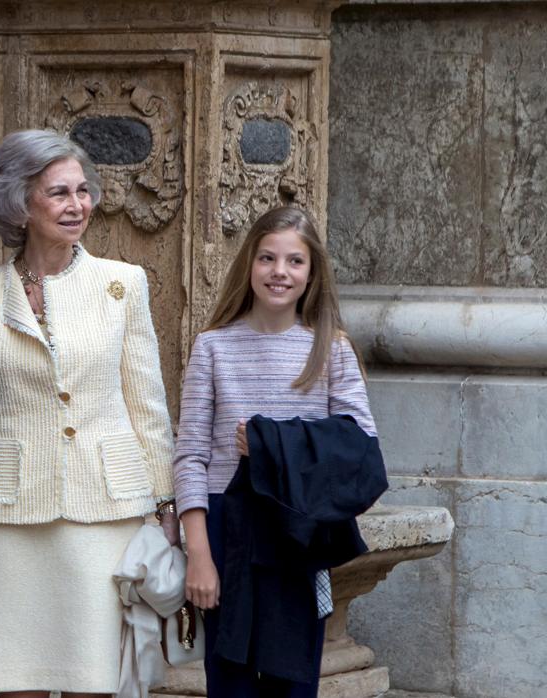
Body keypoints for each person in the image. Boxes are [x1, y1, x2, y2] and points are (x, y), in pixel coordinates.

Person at [0, 129, 179, 698]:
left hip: (106, 513)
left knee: (94, 683)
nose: (78, 206)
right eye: (59, 193)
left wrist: (167, 505)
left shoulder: (123, 284)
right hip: (10, 516)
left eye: (83, 191)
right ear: (20, 205)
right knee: (14, 683)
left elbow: (147, 404)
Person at [172, 205, 378, 696]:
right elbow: (191, 455)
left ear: (312, 273)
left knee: (293, 683)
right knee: (230, 681)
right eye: (267, 258)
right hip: (229, 529)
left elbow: (361, 450)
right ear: (249, 264)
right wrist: (198, 552)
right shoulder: (213, 346)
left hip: (297, 533)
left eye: (294, 261)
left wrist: (271, 443)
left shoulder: (331, 348)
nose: (279, 272)